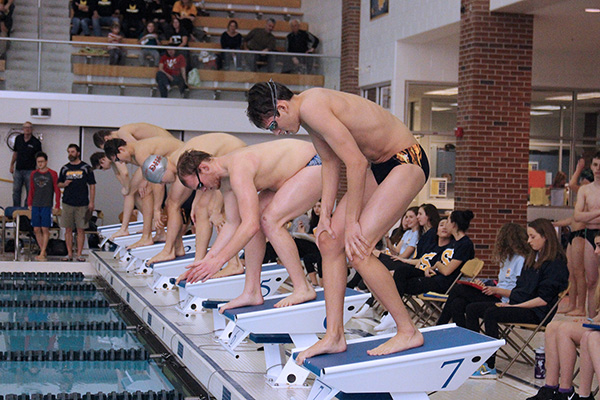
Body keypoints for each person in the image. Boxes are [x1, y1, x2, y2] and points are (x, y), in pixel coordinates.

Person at [246, 81, 429, 359]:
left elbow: (356, 163)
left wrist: (353, 221)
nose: (278, 132)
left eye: (273, 125)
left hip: (406, 160)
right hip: (381, 166)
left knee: (358, 249)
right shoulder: (307, 114)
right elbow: (330, 163)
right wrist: (326, 216)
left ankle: (407, 331)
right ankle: (334, 336)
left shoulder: (313, 106)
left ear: (281, 107)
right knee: (329, 242)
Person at [175, 138, 322, 309]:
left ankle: (303, 288)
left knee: (270, 221)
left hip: (313, 163)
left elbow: (250, 226)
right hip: (292, 174)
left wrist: (219, 261)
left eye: (200, 185)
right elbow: (232, 224)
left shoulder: (238, 168)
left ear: (205, 168)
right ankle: (252, 291)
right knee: (258, 216)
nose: (204, 190)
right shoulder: (224, 180)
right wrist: (206, 262)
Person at [466, 218, 569, 378]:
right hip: (520, 303)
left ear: (545, 237)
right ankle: (474, 358)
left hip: (536, 311)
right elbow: (521, 289)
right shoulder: (533, 259)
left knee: (491, 313)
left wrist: (514, 307)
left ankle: (489, 365)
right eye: (528, 236)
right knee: (472, 309)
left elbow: (543, 299)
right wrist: (509, 302)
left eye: (532, 237)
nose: (528, 241)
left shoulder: (556, 264)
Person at [139, 133, 247, 267]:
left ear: (163, 171)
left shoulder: (180, 162)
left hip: (234, 158)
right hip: (226, 156)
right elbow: (201, 181)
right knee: (200, 210)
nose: (163, 184)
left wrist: (217, 210)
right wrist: (196, 202)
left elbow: (216, 179)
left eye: (161, 181)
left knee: (218, 214)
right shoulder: (180, 159)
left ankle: (234, 264)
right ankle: (198, 260)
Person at [436, 222, 529, 326]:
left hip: (505, 299)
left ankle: (440, 324)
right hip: (496, 293)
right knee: (457, 303)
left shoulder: (521, 260)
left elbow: (519, 291)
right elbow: (503, 282)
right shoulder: (507, 258)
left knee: (459, 289)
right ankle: (464, 336)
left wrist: (495, 290)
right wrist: (486, 286)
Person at [92, 123, 174, 239]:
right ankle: (151, 227)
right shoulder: (123, 135)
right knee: (133, 191)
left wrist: (145, 179)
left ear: (106, 139)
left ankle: (145, 231)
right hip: (157, 154)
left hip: (164, 152)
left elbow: (137, 152)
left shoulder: (123, 133)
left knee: (143, 191)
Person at [104, 135, 183, 248]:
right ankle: (156, 233)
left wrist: (157, 210)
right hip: (170, 160)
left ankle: (147, 236)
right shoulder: (136, 151)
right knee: (134, 190)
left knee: (146, 191)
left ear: (121, 149)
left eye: (117, 159)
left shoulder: (140, 154)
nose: (120, 162)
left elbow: (157, 182)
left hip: (180, 161)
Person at [57, 144, 96, 262]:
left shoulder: (86, 167)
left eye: (72, 152)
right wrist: (64, 184)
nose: (70, 154)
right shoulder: (65, 168)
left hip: (82, 202)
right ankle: (69, 254)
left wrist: (92, 202)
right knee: (68, 229)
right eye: (69, 152)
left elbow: (92, 185)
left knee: (80, 229)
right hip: (68, 202)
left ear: (78, 153)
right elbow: (59, 184)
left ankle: (79, 254)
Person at [574, 150, 600, 317]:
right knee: (591, 281)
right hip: (590, 233)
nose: (598, 169)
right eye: (596, 165)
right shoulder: (585, 190)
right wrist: (597, 213)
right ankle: (591, 320)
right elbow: (577, 216)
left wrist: (591, 213)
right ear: (591, 166)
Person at [27, 152, 60, 261]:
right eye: (38, 162)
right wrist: (29, 203)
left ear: (46, 161)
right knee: (36, 229)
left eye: (42, 162)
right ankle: (43, 250)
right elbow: (31, 189)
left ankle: (42, 252)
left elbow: (57, 190)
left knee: (45, 228)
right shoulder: (34, 174)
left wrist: (57, 204)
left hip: (46, 204)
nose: (40, 164)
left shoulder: (52, 174)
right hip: (36, 204)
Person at [10, 121, 42, 207]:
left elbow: (39, 158)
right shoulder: (18, 139)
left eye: (29, 128)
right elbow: (15, 153)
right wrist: (12, 165)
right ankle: (15, 210)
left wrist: (40, 170)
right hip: (18, 169)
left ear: (32, 129)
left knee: (30, 191)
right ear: (23, 129)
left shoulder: (36, 143)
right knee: (16, 191)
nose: (27, 129)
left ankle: (26, 211)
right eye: (25, 127)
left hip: (30, 170)